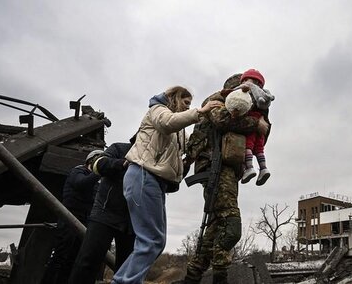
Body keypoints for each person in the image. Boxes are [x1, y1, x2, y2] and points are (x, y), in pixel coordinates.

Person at [111, 86, 220, 284]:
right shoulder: (157, 110)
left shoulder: (178, 133)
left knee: (154, 241)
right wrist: (200, 112)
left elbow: (191, 142)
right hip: (144, 176)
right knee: (151, 240)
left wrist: (209, 127)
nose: (189, 106)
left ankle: (122, 280)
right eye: (185, 102)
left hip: (154, 181)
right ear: (175, 99)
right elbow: (167, 122)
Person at [178, 74, 269, 284]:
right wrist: (255, 123)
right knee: (231, 224)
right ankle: (220, 277)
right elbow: (221, 120)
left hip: (229, 169)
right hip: (213, 166)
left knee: (216, 226)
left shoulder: (251, 107)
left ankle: (192, 277)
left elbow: (264, 131)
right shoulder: (217, 101)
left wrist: (259, 119)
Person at [68, 139, 136, 284]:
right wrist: (121, 163)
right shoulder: (119, 148)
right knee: (87, 262)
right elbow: (99, 163)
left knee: (125, 269)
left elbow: (169, 185)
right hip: (104, 214)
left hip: (132, 221)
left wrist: (184, 165)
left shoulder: (154, 158)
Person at [41, 149, 103, 284]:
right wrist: (99, 172)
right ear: (91, 161)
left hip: (86, 220)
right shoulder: (78, 171)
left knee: (74, 259)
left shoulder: (97, 182)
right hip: (70, 217)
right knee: (61, 256)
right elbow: (81, 184)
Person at [237, 69, 274, 186]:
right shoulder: (264, 96)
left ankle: (249, 167)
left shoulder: (246, 92)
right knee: (259, 149)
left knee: (247, 146)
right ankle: (263, 168)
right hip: (261, 129)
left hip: (251, 127)